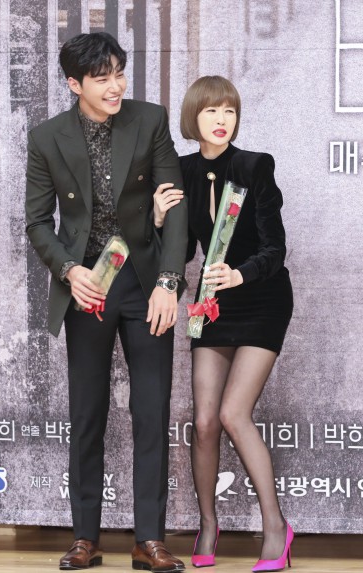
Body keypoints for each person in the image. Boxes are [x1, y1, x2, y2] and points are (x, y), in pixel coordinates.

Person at [26, 32, 188, 572]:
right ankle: (85, 538)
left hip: (144, 280)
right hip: (88, 285)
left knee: (151, 409)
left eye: (119, 73)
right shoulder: (46, 138)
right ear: (75, 84)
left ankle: (150, 541)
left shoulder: (150, 119)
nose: (116, 86)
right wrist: (70, 271)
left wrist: (169, 281)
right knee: (87, 411)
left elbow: (175, 205)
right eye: (102, 78)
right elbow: (37, 221)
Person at [154, 76, 294, 572]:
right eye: (212, 110)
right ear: (193, 117)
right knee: (205, 420)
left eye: (229, 111)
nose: (221, 119)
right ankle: (208, 524)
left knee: (235, 413)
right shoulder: (181, 171)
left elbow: (275, 248)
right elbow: (183, 252)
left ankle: (275, 527)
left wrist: (240, 273)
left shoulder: (255, 166)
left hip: (261, 299)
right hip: (211, 304)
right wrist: (158, 220)